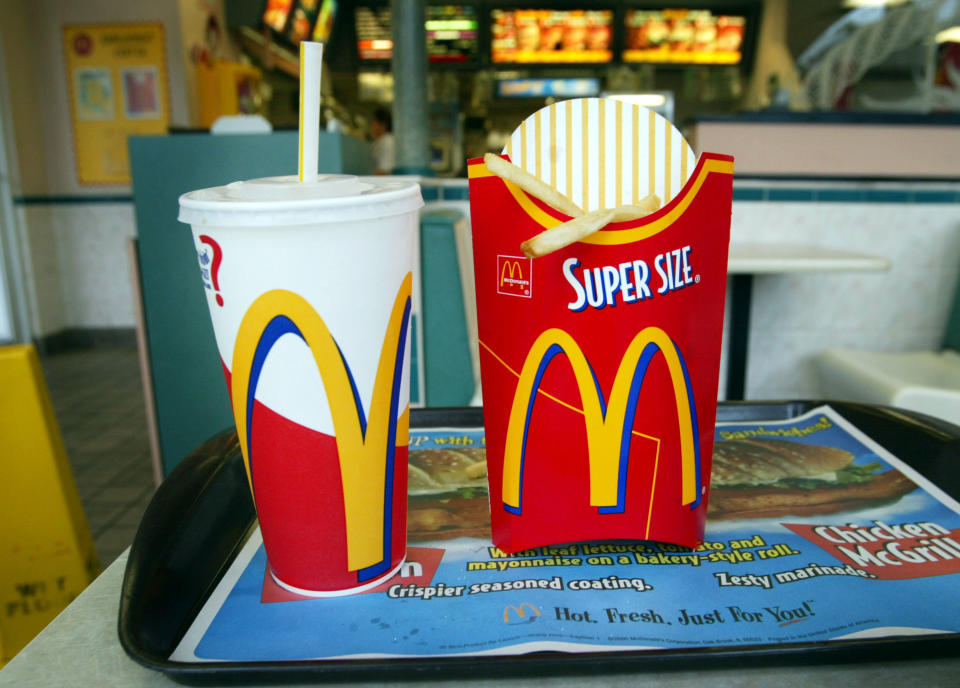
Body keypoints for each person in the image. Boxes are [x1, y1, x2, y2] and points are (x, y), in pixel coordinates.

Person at [370, 107, 395, 175]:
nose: (372, 125)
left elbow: (384, 171)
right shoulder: (379, 141)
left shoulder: (387, 141)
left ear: (382, 125)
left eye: (374, 122)